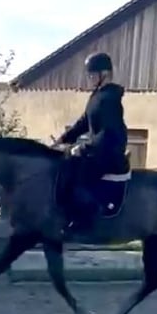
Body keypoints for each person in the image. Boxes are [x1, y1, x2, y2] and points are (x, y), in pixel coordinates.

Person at [55, 52, 128, 234]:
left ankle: (84, 220)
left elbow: (108, 132)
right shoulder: (97, 95)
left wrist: (83, 147)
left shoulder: (110, 98)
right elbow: (83, 122)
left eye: (92, 75)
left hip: (109, 151)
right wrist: (63, 139)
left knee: (78, 174)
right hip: (98, 148)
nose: (89, 78)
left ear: (104, 74)